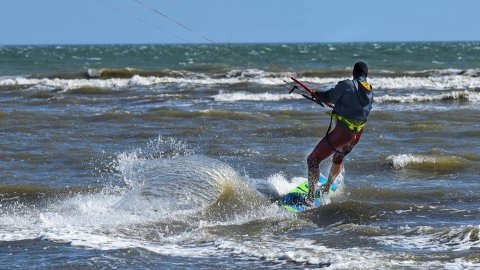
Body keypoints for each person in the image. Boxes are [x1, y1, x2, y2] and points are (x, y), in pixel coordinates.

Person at [306, 61, 373, 206]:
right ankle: (327, 188)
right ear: (366, 76)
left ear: (354, 72)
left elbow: (329, 96)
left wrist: (316, 94)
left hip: (343, 133)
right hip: (356, 135)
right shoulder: (369, 91)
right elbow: (357, 108)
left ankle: (310, 198)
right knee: (338, 159)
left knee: (312, 160)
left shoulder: (347, 85)